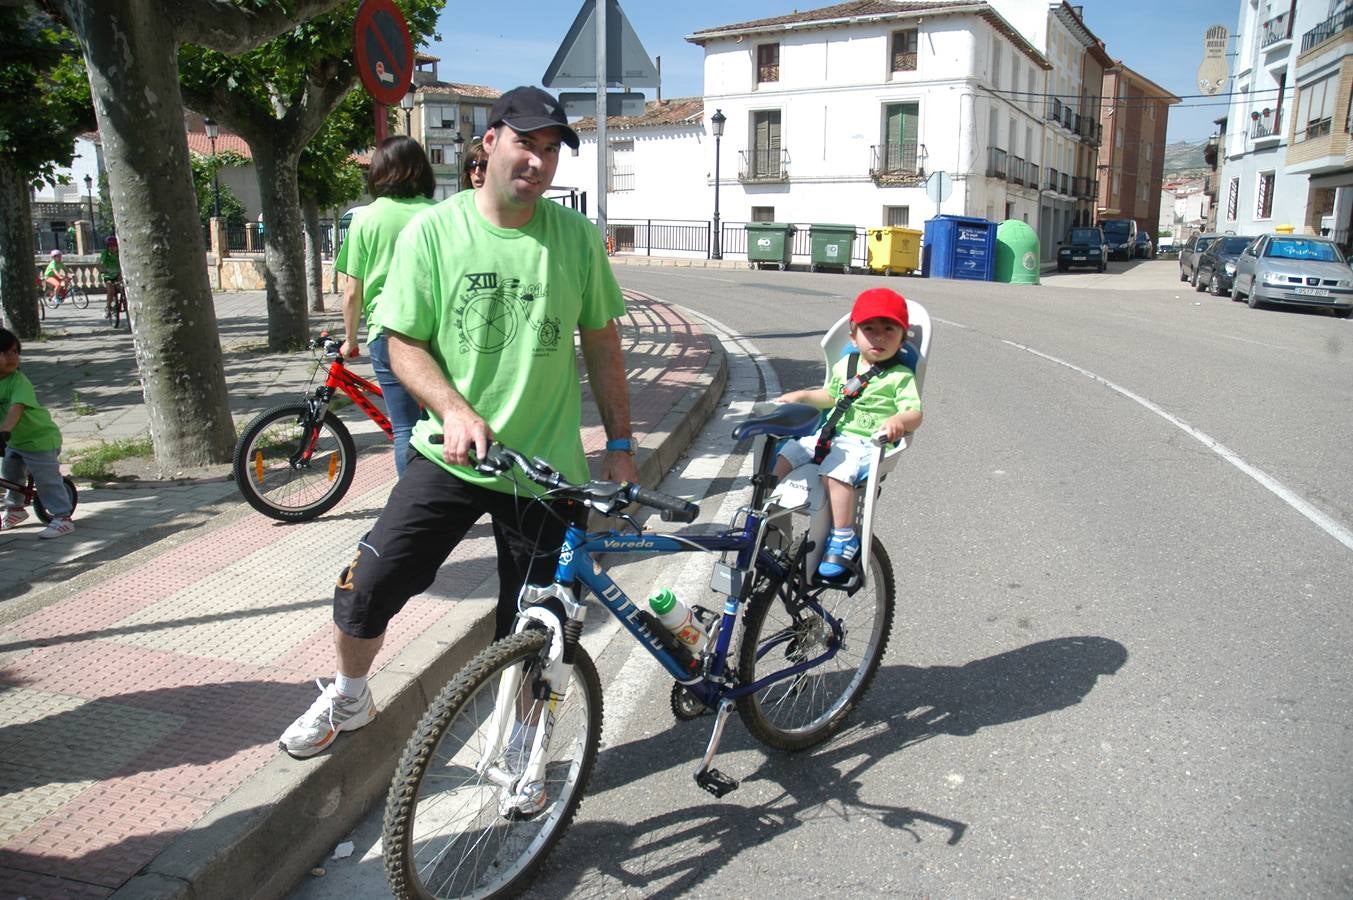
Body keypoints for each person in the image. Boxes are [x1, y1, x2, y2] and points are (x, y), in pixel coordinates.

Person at [279, 87, 640, 768]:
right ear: (490, 142)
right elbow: (401, 342)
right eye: (526, 143)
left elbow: (601, 340)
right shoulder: (433, 233)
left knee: (538, 623)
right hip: (452, 456)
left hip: (545, 472)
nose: (537, 161)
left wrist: (619, 444)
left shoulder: (574, 238)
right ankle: (350, 697)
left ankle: (525, 738)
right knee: (367, 584)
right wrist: (452, 407)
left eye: (551, 149)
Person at [773, 287, 922, 579]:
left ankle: (844, 537)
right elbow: (830, 396)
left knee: (836, 472)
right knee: (785, 454)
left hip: (865, 443)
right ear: (853, 336)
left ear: (902, 338)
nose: (879, 337)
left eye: (889, 329)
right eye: (869, 329)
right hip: (830, 436)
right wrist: (802, 396)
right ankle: (770, 518)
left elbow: (915, 413)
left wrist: (898, 421)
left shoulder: (900, 376)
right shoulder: (847, 364)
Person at [336, 135, 437, 475]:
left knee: (404, 426)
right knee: (442, 420)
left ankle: (412, 501)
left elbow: (353, 291)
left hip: (388, 330)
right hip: (437, 331)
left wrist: (350, 339)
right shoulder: (438, 214)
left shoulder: (366, 218)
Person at [0, 328, 75, 539]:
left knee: (46, 479)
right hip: (15, 441)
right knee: (10, 475)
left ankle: (63, 517)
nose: (12, 357)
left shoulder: (18, 381)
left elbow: (16, 409)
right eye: (5, 352)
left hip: (39, 439)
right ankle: (15, 509)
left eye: (15, 351)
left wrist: (4, 430)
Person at [99, 235, 121, 320]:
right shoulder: (105, 253)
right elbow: (101, 264)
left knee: (122, 288)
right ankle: (108, 308)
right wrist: (104, 269)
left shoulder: (119, 253)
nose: (112, 248)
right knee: (110, 290)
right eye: (110, 246)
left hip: (118, 275)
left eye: (114, 246)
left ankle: (118, 305)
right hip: (107, 275)